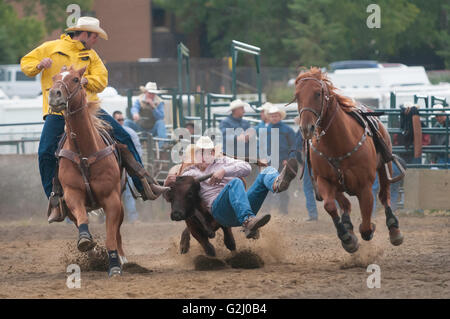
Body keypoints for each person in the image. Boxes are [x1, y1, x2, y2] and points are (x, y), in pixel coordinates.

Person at [20, 17, 157, 223]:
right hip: (58, 112)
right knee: (45, 152)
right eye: (95, 36)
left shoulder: (91, 56)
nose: (96, 41)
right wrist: (39, 65)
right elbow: (25, 63)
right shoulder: (50, 48)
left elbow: (102, 79)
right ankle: (57, 202)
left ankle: (143, 183)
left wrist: (85, 80)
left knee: (124, 137)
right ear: (84, 34)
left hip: (89, 109)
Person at [166, 136, 299, 238]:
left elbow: (246, 168)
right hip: (220, 212)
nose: (204, 155)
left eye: (208, 152)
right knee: (235, 183)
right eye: (201, 152)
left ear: (213, 153)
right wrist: (168, 182)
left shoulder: (223, 161)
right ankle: (248, 221)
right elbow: (177, 191)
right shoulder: (191, 172)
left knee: (266, 171)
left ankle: (277, 184)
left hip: (241, 206)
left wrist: (224, 171)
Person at [264, 104, 297, 215]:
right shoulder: (266, 129)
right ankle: (266, 209)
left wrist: (289, 159)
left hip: (283, 161)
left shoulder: (287, 130)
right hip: (269, 161)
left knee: (282, 185)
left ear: (280, 116)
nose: (274, 118)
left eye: (276, 115)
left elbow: (293, 146)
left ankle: (283, 209)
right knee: (268, 184)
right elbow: (263, 145)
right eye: (272, 116)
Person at [113, 111, 141, 223]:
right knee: (111, 193)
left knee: (129, 192)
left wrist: (135, 164)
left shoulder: (130, 133)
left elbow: (137, 150)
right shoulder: (109, 133)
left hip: (126, 166)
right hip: (112, 168)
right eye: (118, 120)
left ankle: (133, 218)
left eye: (122, 119)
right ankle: (109, 218)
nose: (121, 122)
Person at [125, 81, 168, 148]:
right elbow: (134, 108)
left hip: (152, 129)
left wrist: (153, 107)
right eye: (150, 93)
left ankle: (162, 147)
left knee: (161, 123)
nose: (151, 95)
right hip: (140, 127)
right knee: (127, 122)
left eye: (153, 93)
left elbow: (161, 117)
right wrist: (135, 113)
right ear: (145, 92)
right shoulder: (139, 99)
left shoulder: (159, 102)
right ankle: (126, 144)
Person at [294, 116, 319, 221]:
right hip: (315, 161)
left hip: (311, 162)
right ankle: (339, 209)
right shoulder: (319, 131)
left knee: (308, 188)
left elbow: (296, 148)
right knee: (330, 186)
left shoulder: (302, 133)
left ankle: (313, 214)